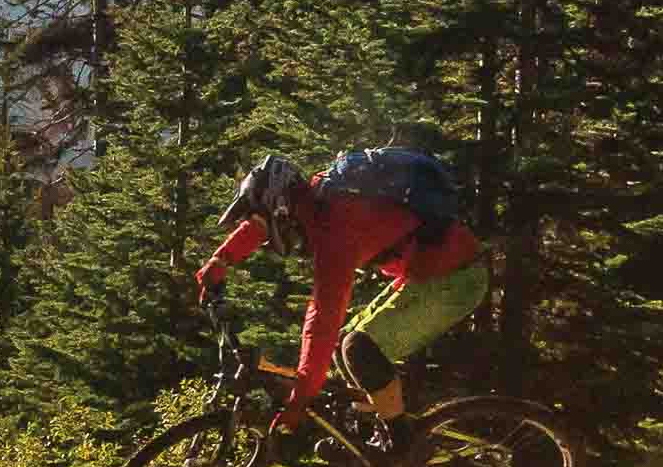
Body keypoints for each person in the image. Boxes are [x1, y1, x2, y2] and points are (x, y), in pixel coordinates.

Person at [193, 151, 488, 432]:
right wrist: (221, 259)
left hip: (456, 280)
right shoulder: (317, 198)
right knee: (341, 350)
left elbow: (322, 320)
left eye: (266, 224)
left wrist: (301, 398)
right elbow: (259, 223)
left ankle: (402, 442)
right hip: (425, 274)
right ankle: (378, 429)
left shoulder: (337, 228)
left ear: (281, 210)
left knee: (358, 348)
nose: (268, 238)